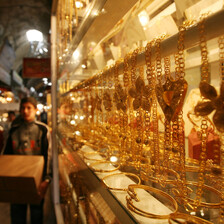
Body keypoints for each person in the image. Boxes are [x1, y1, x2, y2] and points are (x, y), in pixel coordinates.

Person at [3, 97, 52, 224]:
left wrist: (46, 180)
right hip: (16, 180)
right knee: (17, 215)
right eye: (23, 108)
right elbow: (7, 155)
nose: (25, 111)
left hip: (36, 181)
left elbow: (48, 155)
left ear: (35, 110)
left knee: (37, 215)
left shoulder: (43, 130)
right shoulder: (14, 130)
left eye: (29, 108)